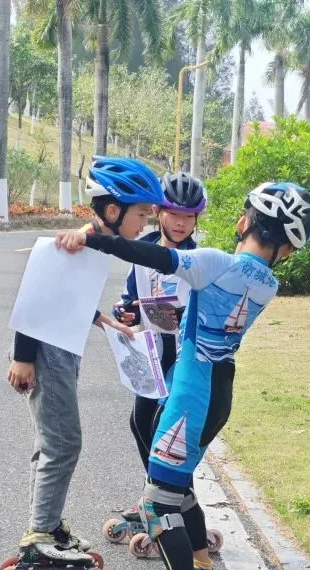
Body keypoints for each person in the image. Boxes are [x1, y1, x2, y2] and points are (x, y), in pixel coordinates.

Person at [57, 182, 310, 570]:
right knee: (179, 489)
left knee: (157, 503)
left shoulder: (218, 263)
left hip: (191, 392)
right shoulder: (267, 282)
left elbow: (153, 256)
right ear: (289, 250)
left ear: (243, 223)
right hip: (218, 392)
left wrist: (92, 238)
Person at [4, 156, 164, 565]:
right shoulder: (75, 244)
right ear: (112, 211)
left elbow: (69, 298)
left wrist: (107, 322)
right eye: (141, 214)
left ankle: (47, 523)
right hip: (45, 351)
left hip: (60, 349)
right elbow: (38, 295)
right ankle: (40, 533)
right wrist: (23, 357)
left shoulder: (93, 245)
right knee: (64, 443)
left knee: (52, 443)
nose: (144, 223)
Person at [102, 172, 207, 545]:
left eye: (189, 216)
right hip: (149, 354)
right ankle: (157, 499)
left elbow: (207, 311)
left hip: (181, 358)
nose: (180, 223)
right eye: (174, 213)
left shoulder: (197, 260)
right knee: (139, 424)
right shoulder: (143, 249)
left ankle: (176, 506)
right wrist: (125, 310)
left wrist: (184, 315)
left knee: (167, 436)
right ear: (159, 212)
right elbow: (129, 297)